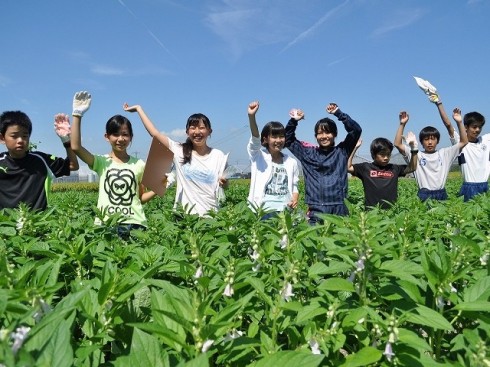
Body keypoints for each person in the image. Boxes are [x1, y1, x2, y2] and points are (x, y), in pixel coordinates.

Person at [70, 91, 155, 238]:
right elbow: (76, 147)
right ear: (107, 137)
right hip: (106, 224)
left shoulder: (140, 164)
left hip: (135, 224)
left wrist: (160, 187)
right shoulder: (101, 162)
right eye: (115, 134)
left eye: (125, 134)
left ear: (131, 137)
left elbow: (140, 198)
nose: (120, 139)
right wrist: (77, 114)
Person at [123, 103, 228, 217]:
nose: (197, 132)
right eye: (193, 128)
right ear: (187, 132)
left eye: (202, 128)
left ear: (209, 131)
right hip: (184, 216)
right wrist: (139, 109)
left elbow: (224, 185)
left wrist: (225, 183)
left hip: (211, 215)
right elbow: (155, 134)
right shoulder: (180, 150)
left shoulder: (218, 155)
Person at [285, 103, 362, 224]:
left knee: (339, 241)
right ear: (316, 136)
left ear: (335, 134)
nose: (324, 136)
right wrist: (293, 121)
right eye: (320, 133)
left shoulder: (342, 151)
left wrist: (339, 113)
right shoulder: (308, 154)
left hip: (339, 207)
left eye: (328, 132)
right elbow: (288, 140)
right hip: (316, 208)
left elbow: (356, 130)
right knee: (314, 241)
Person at [0, 110, 79, 211]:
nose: (20, 140)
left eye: (25, 136)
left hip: (37, 224)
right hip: (6, 225)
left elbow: (73, 166)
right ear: (2, 138)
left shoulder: (41, 160)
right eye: (14, 136)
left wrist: (66, 141)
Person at [426, 91, 490, 201]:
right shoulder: (460, 142)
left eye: (480, 127)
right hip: (470, 187)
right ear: (466, 127)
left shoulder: (485, 140)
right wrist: (439, 103)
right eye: (474, 127)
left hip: (485, 185)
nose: (477, 130)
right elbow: (448, 125)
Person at [394, 108, 468, 201]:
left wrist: (460, 122)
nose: (430, 142)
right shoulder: (416, 154)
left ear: (438, 141)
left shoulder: (445, 153)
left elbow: (464, 141)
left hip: (441, 193)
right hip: (424, 194)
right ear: (421, 142)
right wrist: (402, 124)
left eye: (433, 139)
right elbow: (397, 144)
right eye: (426, 139)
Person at [247, 101, 299, 219]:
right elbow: (255, 139)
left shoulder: (291, 162)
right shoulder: (258, 156)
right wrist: (251, 116)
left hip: (285, 212)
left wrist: (294, 199)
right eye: (274, 136)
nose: (279, 140)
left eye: (281, 136)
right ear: (265, 139)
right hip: (262, 211)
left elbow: (294, 186)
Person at [348, 122, 417, 210]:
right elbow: (348, 167)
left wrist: (414, 149)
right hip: (371, 213)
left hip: (391, 212)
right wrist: (355, 148)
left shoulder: (394, 168)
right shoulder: (365, 168)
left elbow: (412, 167)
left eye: (388, 154)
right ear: (374, 155)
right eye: (382, 154)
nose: (386, 158)